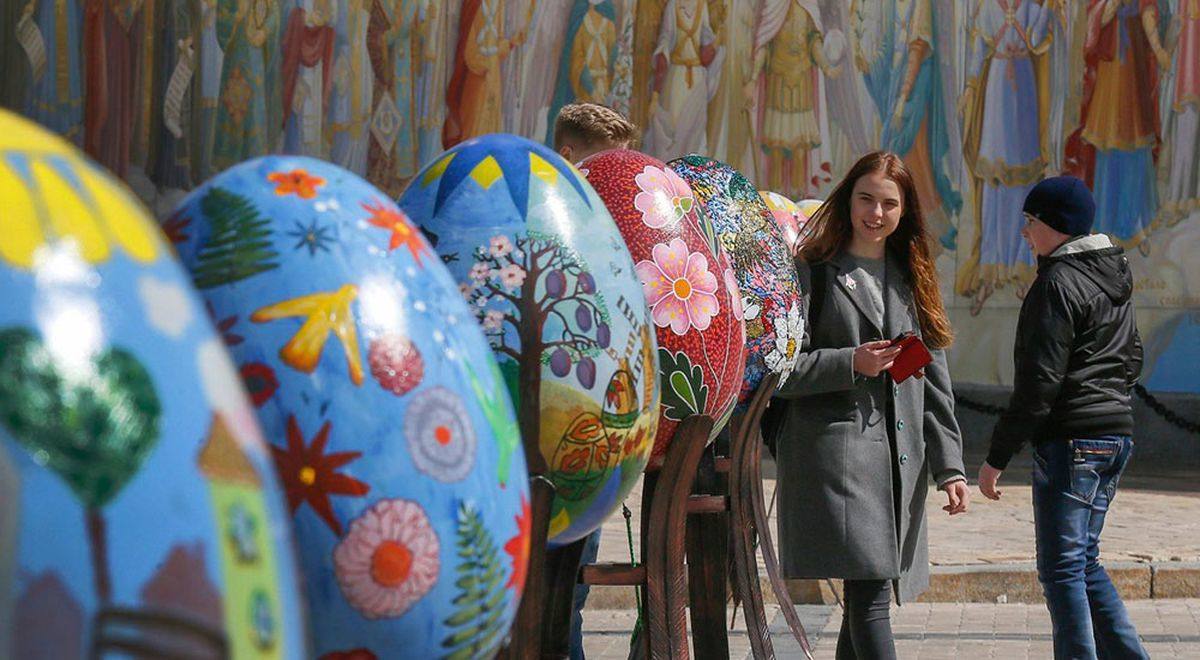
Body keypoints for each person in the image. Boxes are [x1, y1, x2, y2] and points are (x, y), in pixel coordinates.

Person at [772, 151, 968, 659]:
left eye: (888, 203)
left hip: (901, 461)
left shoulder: (913, 274)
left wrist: (950, 467)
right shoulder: (813, 270)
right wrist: (850, 362)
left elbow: (933, 378)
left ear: (905, 212)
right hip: (839, 458)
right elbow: (780, 371)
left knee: (867, 591)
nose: (875, 213)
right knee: (872, 591)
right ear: (848, 198)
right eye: (866, 199)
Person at [978, 176, 1147, 660]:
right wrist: (1109, 405)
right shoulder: (1111, 274)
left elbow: (1038, 383)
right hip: (1114, 435)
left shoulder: (1057, 282)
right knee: (1083, 562)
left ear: (1056, 226)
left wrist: (996, 457)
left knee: (1061, 570)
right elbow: (1132, 357)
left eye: (1030, 222)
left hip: (1073, 440)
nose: (1025, 233)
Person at [551, 101, 635, 660]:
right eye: (605, 170)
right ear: (568, 159)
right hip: (550, 436)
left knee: (573, 585)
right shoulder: (545, 230)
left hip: (593, 435)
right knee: (553, 583)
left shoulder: (601, 234)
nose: (616, 185)